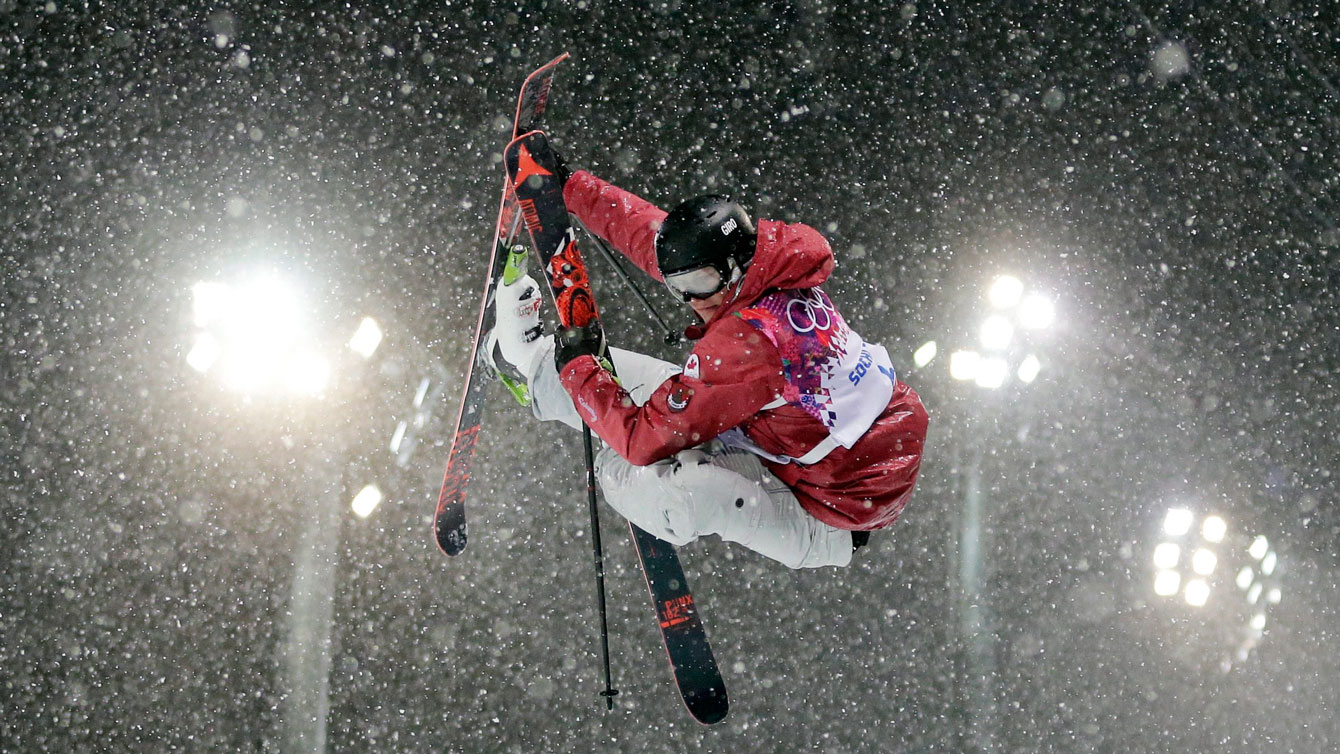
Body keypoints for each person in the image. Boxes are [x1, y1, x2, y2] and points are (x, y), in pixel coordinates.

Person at [486, 164, 929, 569]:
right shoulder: (768, 260)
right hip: (793, 443)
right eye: (679, 286)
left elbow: (642, 440)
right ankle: (529, 361)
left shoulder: (750, 341)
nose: (690, 300)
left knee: (674, 474)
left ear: (733, 267)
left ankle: (632, 480)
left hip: (826, 518)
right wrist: (568, 187)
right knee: (668, 405)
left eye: (698, 284)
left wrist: (584, 377)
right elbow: (654, 238)